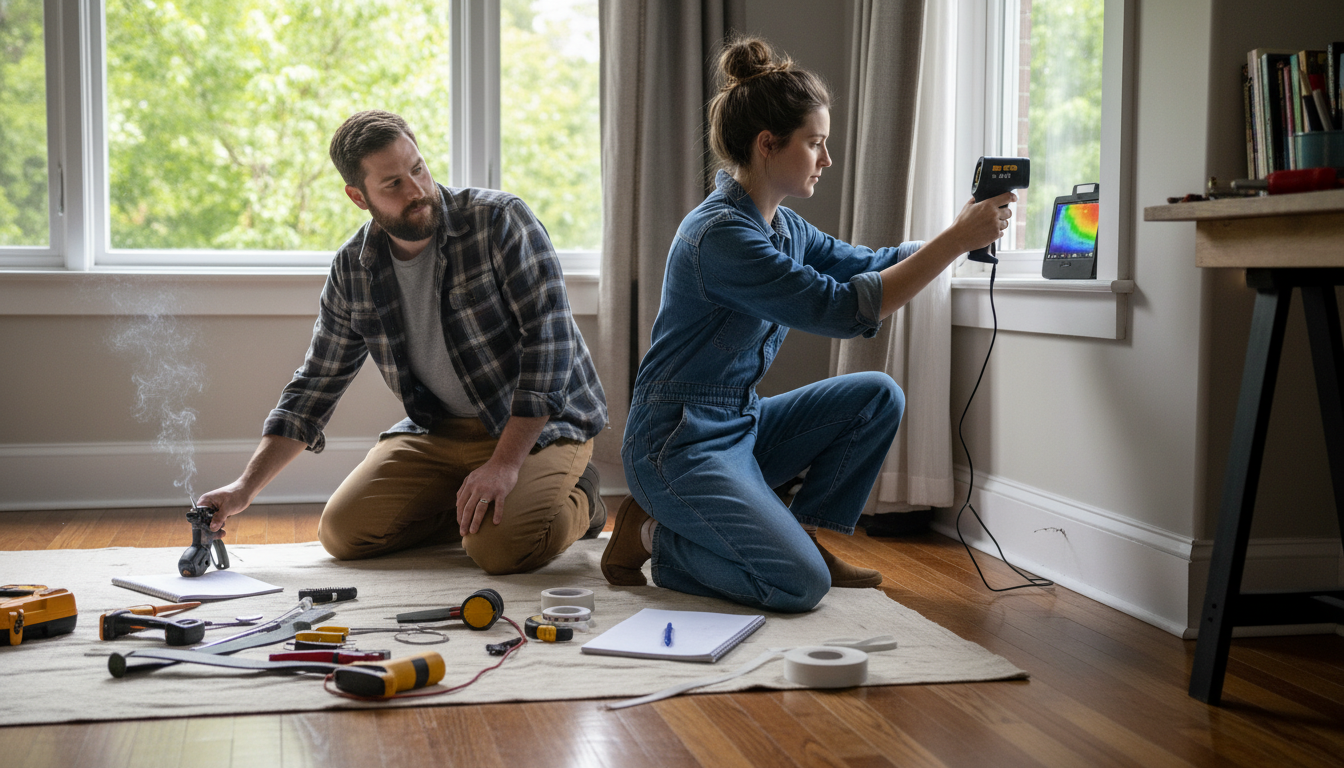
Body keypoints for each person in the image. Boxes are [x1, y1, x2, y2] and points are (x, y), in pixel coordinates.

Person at [600, 38, 1013, 612]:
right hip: (677, 440)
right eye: (815, 143)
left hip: (738, 422)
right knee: (798, 586)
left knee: (876, 395)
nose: (826, 159)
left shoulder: (786, 227)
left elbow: (870, 265)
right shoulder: (720, 236)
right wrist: (954, 242)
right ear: (769, 145)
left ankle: (803, 536)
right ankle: (655, 537)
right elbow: (842, 309)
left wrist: (958, 235)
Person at [198, 110, 608, 575]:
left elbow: (549, 344)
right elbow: (314, 386)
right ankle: (478, 510)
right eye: (392, 184)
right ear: (358, 196)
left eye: (418, 169)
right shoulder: (353, 269)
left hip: (537, 424)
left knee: (500, 551)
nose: (416, 190)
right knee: (343, 534)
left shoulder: (500, 221)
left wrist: (504, 463)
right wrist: (242, 489)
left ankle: (583, 500)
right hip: (438, 431)